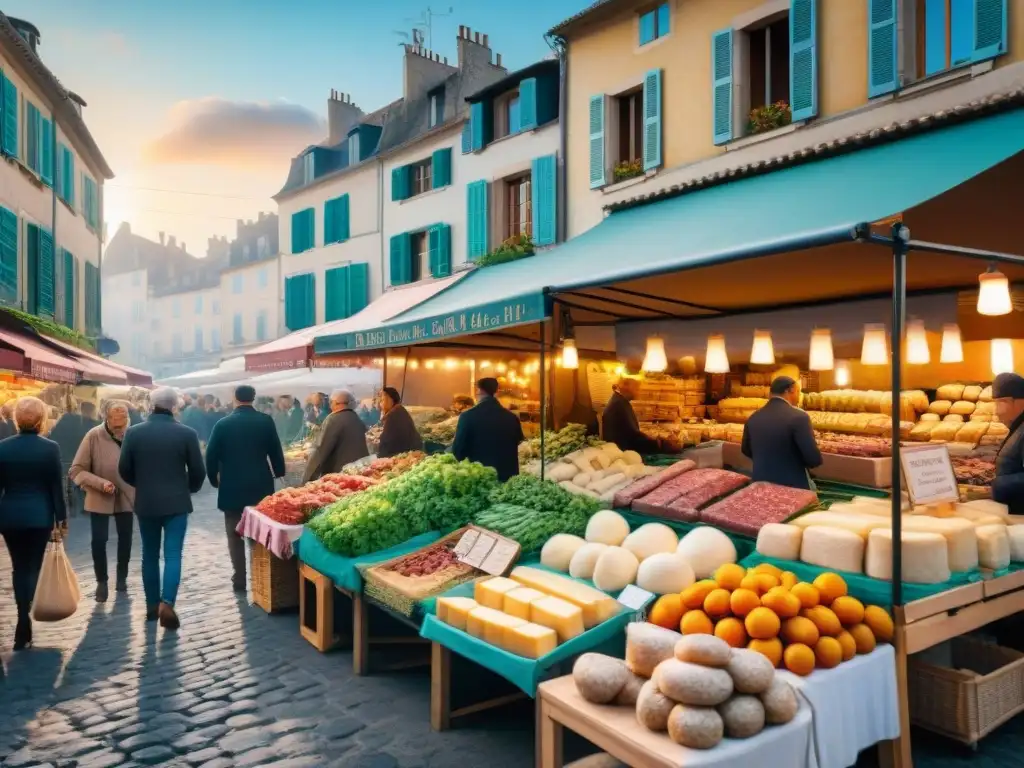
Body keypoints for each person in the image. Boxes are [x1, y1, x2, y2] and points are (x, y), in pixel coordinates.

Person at [118, 387, 206, 629]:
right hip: (177, 501)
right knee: (173, 554)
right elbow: (199, 471)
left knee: (149, 553)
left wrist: (142, 484)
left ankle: (151, 605)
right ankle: (167, 603)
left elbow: (124, 469)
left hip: (146, 501)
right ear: (175, 406)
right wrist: (189, 487)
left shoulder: (133, 433)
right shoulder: (187, 433)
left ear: (151, 404)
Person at [0, 397, 67, 650]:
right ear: (41, 419)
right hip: (40, 515)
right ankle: (28, 610)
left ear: (17, 419)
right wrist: (61, 518)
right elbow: (55, 487)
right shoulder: (50, 448)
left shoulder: (2, 448)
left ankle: (21, 619)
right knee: (33, 566)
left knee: (18, 566)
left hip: (10, 515)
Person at [205, 385, 286, 591]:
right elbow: (275, 450)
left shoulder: (222, 424)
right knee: (260, 531)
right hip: (260, 483)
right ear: (254, 398)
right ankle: (261, 576)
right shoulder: (265, 421)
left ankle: (239, 578)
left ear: (235, 398)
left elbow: (211, 455)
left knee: (234, 533)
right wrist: (279, 472)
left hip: (231, 484)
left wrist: (214, 479)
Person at [69, 400, 136, 602]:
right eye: (116, 422)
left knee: (126, 539)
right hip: (100, 495)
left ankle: (122, 578)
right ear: (106, 417)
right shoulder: (93, 436)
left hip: (127, 495)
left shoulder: (134, 435)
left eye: (123, 422)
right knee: (99, 540)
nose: (120, 427)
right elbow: (76, 470)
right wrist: (100, 483)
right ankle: (102, 582)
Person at [741, 376, 822, 490]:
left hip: (760, 485)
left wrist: (768, 460)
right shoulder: (799, 417)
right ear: (790, 390)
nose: (799, 397)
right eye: (798, 392)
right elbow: (813, 459)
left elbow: (745, 449)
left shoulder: (753, 417)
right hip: (792, 488)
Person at [453, 378, 523, 482]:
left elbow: (458, 450)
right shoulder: (512, 417)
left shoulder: (467, 416)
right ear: (496, 391)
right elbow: (518, 440)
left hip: (479, 478)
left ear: (479, 391)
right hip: (507, 479)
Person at [302, 390, 369, 482]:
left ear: (337, 403)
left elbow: (320, 451)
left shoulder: (333, 419)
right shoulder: (356, 418)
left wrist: (306, 480)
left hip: (340, 475)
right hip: (360, 471)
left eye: (331, 402)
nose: (330, 405)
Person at [991, 372, 1024, 515]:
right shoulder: (1018, 426)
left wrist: (997, 485)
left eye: (1001, 403)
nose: (997, 411)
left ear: (1017, 402)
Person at [602, 378, 662, 454]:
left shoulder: (620, 400)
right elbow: (633, 435)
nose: (638, 393)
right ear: (627, 387)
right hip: (621, 453)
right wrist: (657, 444)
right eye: (636, 389)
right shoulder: (619, 404)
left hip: (619, 449)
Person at [377, 387, 423, 458]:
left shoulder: (393, 415)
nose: (381, 403)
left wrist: (380, 458)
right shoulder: (399, 410)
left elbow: (386, 441)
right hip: (411, 451)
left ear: (391, 400)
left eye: (383, 400)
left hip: (407, 454)